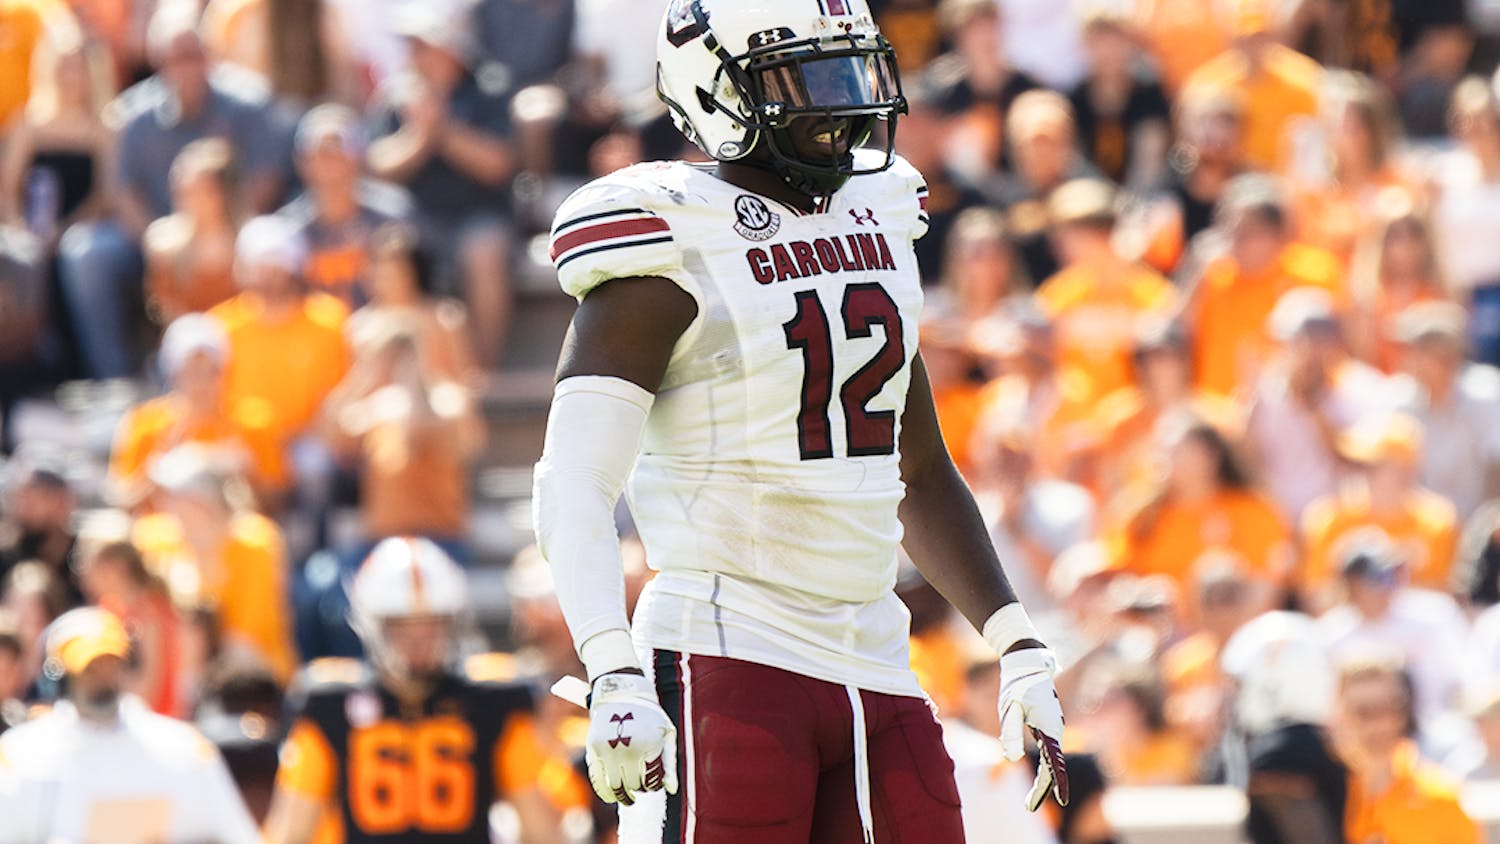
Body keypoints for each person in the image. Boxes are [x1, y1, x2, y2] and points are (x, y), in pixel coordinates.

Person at [532, 2, 1070, 840]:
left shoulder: (880, 212)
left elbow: (915, 465)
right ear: (715, 89)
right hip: (726, 646)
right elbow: (576, 480)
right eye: (809, 78)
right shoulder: (667, 237)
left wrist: (1016, 641)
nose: (843, 103)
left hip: (876, 652)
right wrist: (610, 668)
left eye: (853, 71)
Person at [262, 537, 561, 843]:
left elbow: (543, 832)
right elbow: (290, 832)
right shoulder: (329, 703)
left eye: (431, 625)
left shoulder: (492, 699)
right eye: (403, 627)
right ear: (373, 624)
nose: (418, 643)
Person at [0, 607, 260, 843]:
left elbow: (237, 835)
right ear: (59, 677)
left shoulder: (185, 748)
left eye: (111, 663)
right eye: (90, 668)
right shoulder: (20, 755)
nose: (103, 677)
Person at [367, 6, 516, 366]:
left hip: (479, 217)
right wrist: (421, 134)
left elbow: (499, 164)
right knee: (385, 253)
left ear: (449, 49)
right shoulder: (396, 97)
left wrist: (443, 130)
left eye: (422, 46)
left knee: (484, 251)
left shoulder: (489, 88)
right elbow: (378, 166)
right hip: (415, 222)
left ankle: (483, 374)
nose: (413, 56)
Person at [108, 312, 286, 512]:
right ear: (173, 374)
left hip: (230, 538)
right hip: (161, 539)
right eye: (192, 372)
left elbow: (277, 506)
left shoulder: (253, 421)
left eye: (211, 371)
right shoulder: (144, 423)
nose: (202, 383)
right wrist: (156, 472)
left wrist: (248, 473)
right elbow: (122, 504)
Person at [279, 104, 414, 309]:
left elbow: (416, 291)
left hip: (383, 332)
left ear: (358, 156)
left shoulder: (392, 217)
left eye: (336, 150)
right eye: (319, 153)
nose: (329, 163)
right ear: (302, 162)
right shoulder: (288, 229)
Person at [1335, 660, 1479, 844]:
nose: (1380, 723)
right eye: (1364, 711)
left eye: (1390, 707)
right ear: (1340, 715)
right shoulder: (1320, 790)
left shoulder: (1440, 797)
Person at [0, 29, 115, 251]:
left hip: (82, 235)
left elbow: (104, 195)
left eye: (78, 68)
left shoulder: (104, 129)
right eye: (63, 67)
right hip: (29, 236)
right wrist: (20, 228)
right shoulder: (28, 124)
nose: (70, 77)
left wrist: (66, 231)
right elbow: (9, 190)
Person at [142, 138, 242, 323]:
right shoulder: (163, 245)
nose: (187, 197)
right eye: (183, 190)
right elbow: (168, 314)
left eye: (198, 190)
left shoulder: (247, 244)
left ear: (221, 192)